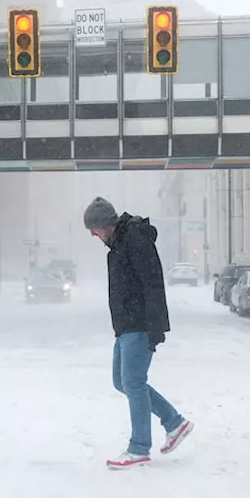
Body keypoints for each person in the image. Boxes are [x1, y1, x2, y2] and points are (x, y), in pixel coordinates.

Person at [83, 196, 193, 470]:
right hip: (126, 326)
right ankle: (175, 423)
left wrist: (155, 327)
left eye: (93, 229)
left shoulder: (134, 239)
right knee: (123, 382)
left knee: (132, 382)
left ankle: (139, 448)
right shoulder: (119, 243)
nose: (92, 235)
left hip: (139, 323)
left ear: (104, 224)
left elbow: (152, 282)